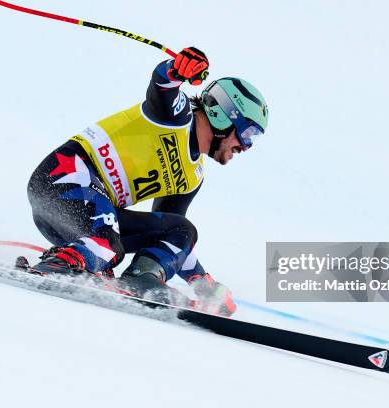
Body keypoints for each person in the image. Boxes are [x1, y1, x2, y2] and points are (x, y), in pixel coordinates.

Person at [26, 47, 268, 316]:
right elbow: (162, 83)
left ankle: (139, 279)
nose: (245, 146)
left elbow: (169, 236)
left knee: (182, 230)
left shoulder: (192, 177)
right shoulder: (177, 116)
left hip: (83, 219)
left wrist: (203, 284)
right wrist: (177, 69)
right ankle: (61, 265)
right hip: (60, 180)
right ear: (223, 115)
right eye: (248, 133)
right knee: (108, 245)